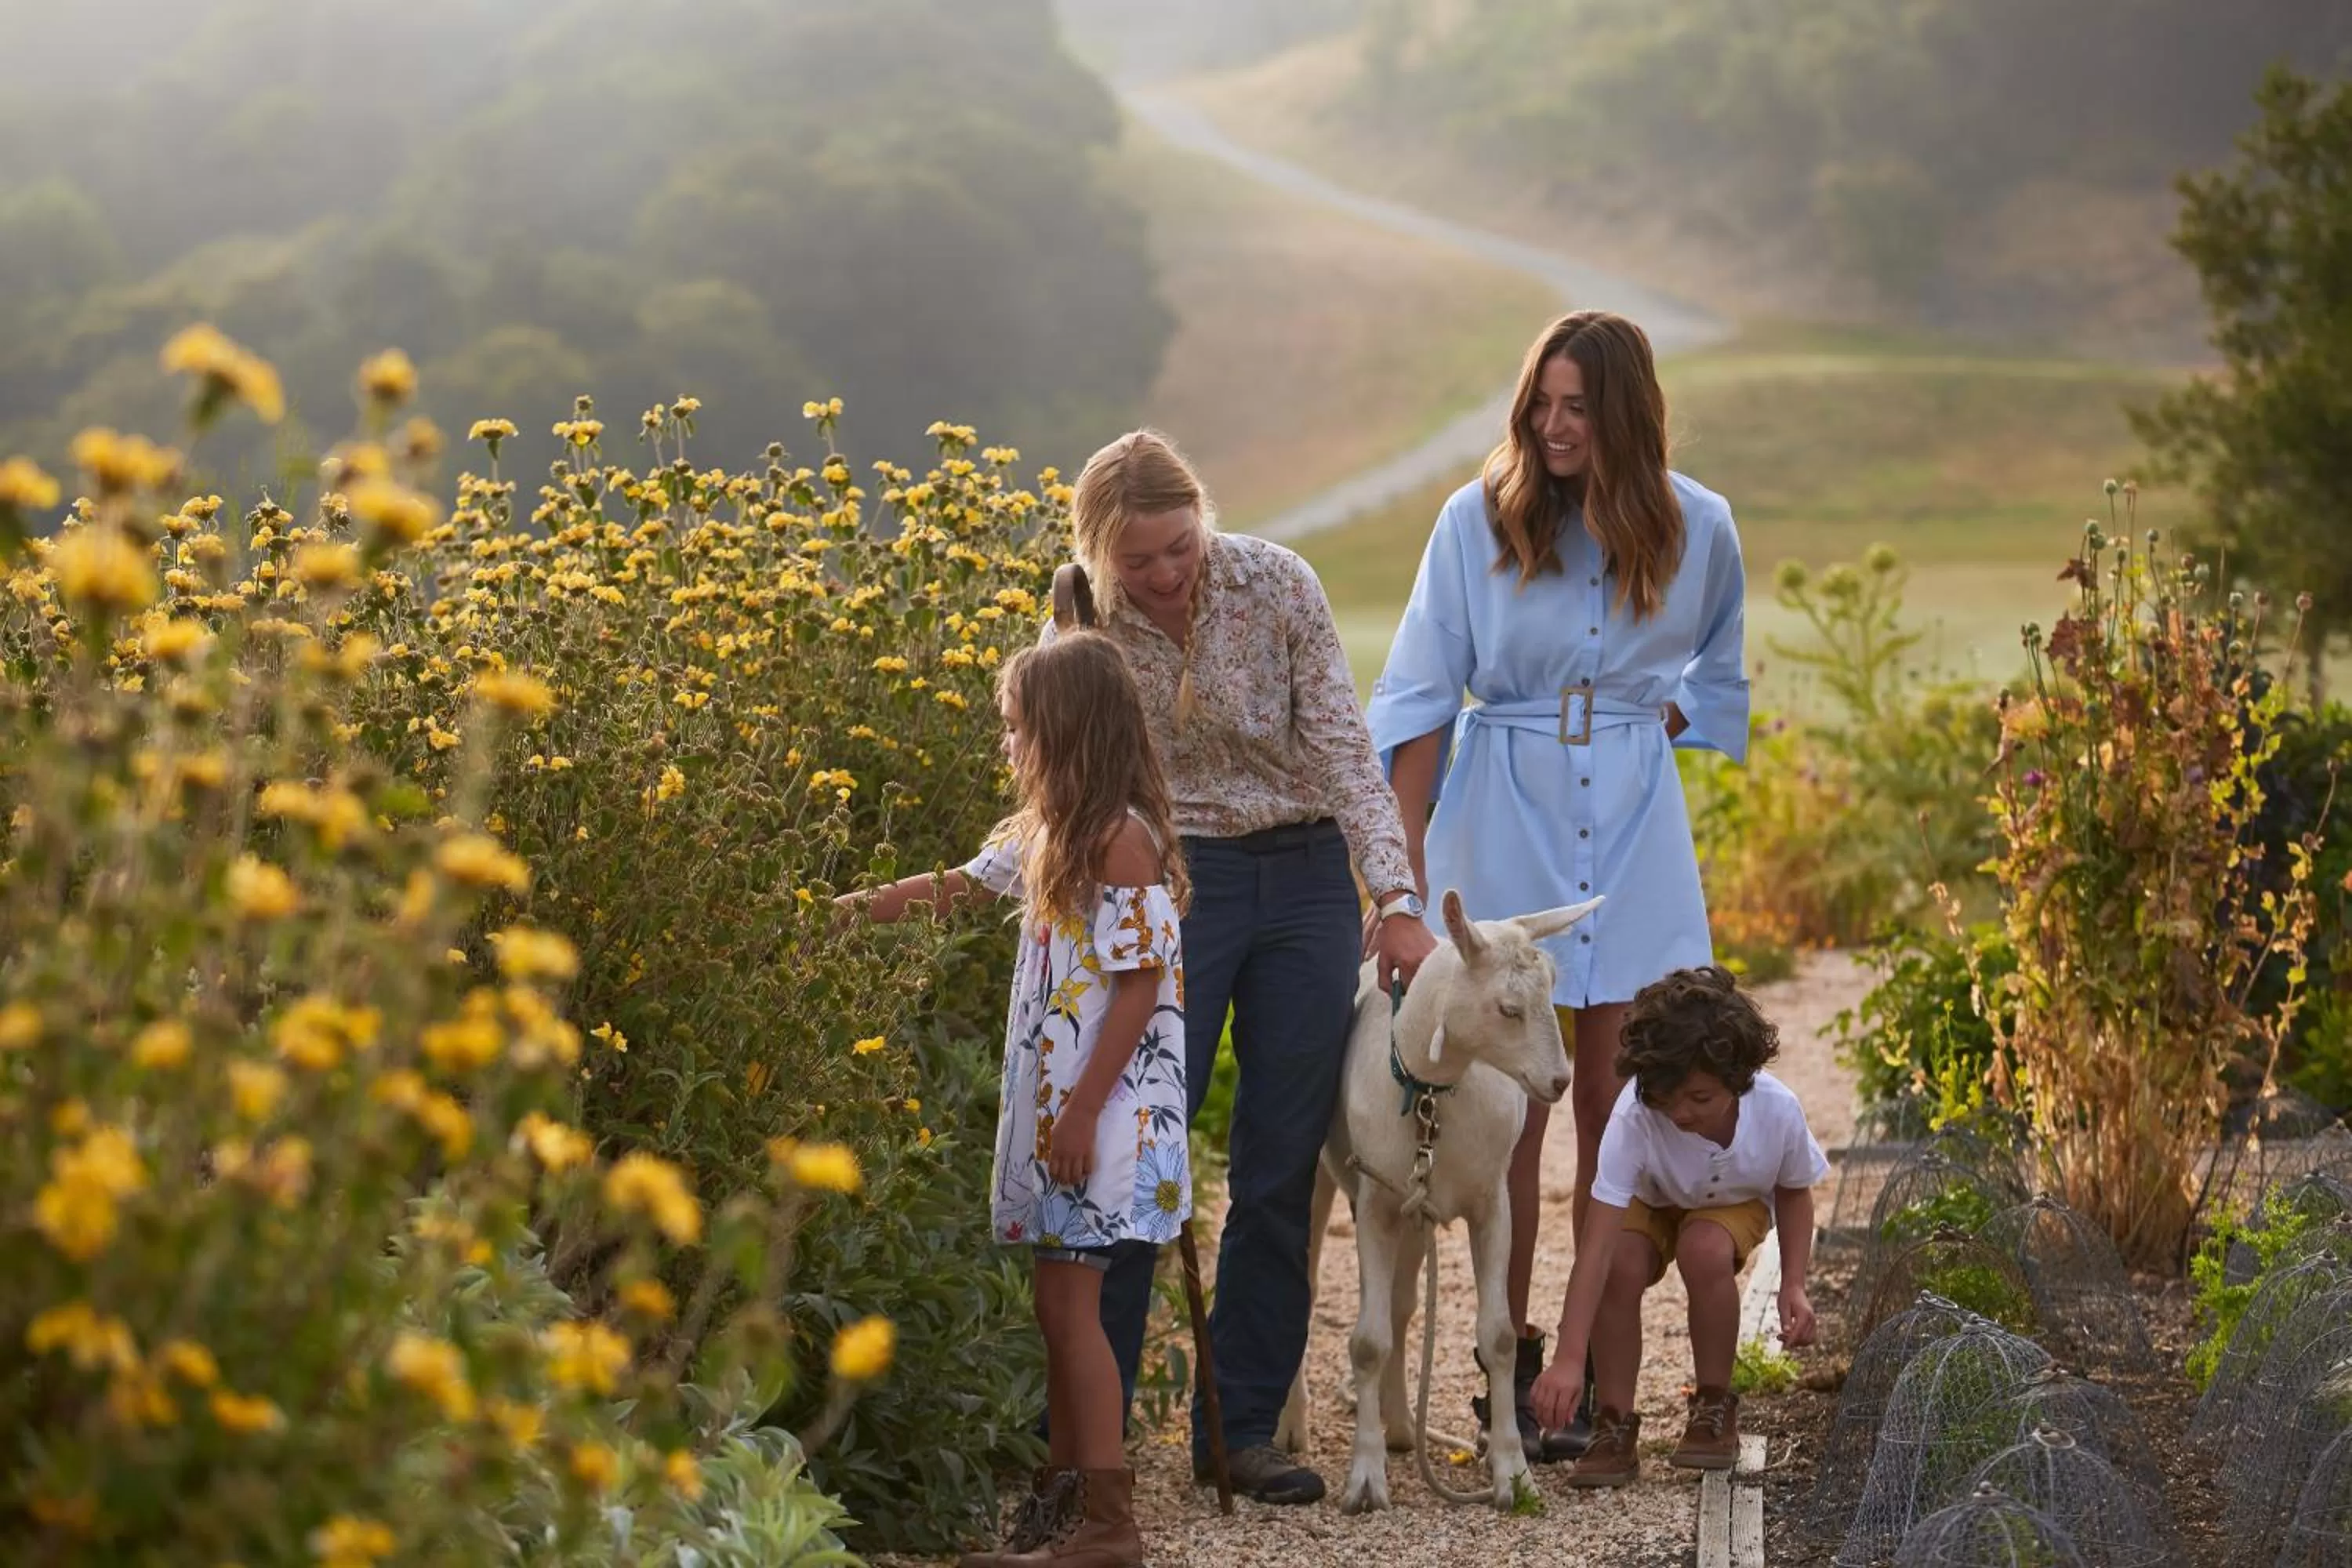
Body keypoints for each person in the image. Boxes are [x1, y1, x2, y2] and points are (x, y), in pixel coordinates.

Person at [1364, 309, 1749, 1458]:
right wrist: (1403, 876)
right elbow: (1421, 700)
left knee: (1610, 1103)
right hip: (1505, 814)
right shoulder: (1472, 520)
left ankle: (1588, 1384)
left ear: (1626, 412)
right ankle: (1513, 1360)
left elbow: (1717, 677)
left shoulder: (1702, 528)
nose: (1552, 423)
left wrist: (1631, 730)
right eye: (1542, 400)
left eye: (1578, 405)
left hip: (1634, 826)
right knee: (1515, 1110)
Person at [1056, 430, 1437, 1507]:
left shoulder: (1276, 585)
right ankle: (1091, 1443)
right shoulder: (1082, 619)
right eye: (1139, 561)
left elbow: (1347, 754)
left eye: (1178, 548)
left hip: (1308, 877)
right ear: (1099, 555)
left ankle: (1242, 1428)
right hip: (1175, 885)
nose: (1166, 575)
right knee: (1135, 1157)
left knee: (1277, 1169)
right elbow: (1070, 777)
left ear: (1202, 520)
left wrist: (1395, 900)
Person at [837, 633, 1190, 1567]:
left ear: (1065, 731)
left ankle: (1109, 1526)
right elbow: (953, 888)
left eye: (1017, 728)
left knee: (1075, 1311)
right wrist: (841, 911)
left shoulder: (1121, 837)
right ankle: (1066, 1507)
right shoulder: (1049, 831)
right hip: (1071, 1108)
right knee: (1055, 1306)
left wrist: (1076, 1114)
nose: (1007, 746)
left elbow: (1141, 983)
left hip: (1103, 1112)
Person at [1530, 965, 1825, 1486]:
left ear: (1741, 1078)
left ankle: (1713, 1408)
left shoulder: (1777, 1110)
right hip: (1654, 1199)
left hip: (1730, 1201)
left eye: (1701, 1099)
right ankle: (1613, 1423)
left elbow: (1794, 1190)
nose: (1681, 1115)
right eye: (1667, 1100)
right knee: (1620, 1262)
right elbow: (1594, 1250)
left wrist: (1794, 1284)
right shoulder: (1636, 1116)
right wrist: (1569, 1358)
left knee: (1705, 1249)